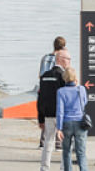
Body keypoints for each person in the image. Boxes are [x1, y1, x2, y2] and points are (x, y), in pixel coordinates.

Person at [36, 43, 66, 171]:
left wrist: (40, 118)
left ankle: (44, 167)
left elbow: (41, 98)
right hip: (61, 114)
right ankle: (64, 167)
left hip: (48, 113)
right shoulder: (63, 76)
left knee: (48, 141)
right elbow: (66, 97)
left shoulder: (45, 76)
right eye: (68, 59)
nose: (69, 62)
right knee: (65, 143)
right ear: (61, 60)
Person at [56, 67, 89, 171]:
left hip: (66, 124)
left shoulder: (61, 91)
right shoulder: (81, 89)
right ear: (75, 78)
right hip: (80, 123)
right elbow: (84, 103)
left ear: (64, 78)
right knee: (81, 152)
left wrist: (59, 128)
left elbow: (60, 111)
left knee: (66, 152)